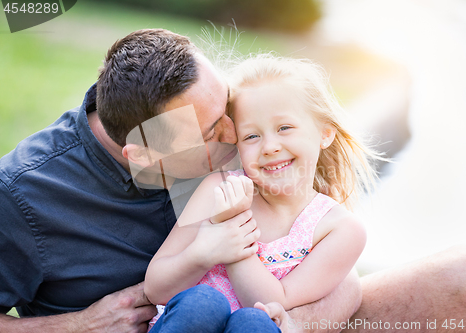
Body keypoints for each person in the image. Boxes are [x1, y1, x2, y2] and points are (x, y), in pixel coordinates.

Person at [0, 28, 466, 333]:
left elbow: (331, 255)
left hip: (272, 316)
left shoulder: (207, 120)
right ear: (144, 155)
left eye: (228, 109)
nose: (239, 138)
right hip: (176, 320)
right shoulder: (22, 196)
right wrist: (76, 327)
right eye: (216, 130)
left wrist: (306, 320)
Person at [144, 54, 374, 332]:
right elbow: (156, 288)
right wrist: (203, 252)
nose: (270, 146)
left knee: (254, 322)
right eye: (252, 136)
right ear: (236, 144)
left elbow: (270, 301)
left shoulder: (339, 229)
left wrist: (231, 231)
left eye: (284, 128)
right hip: (190, 323)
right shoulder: (219, 189)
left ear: (325, 133)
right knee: (203, 303)